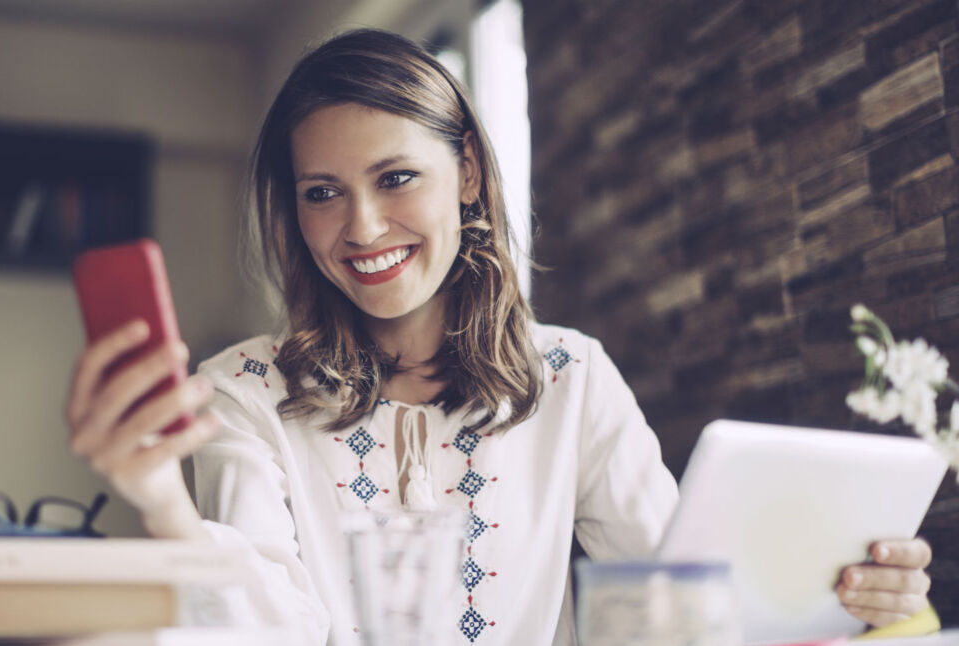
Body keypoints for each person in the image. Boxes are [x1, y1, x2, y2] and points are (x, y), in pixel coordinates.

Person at [65, 29, 935, 645]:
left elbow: (685, 603)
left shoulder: (571, 378)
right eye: (321, 192)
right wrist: (162, 503)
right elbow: (264, 629)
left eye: (397, 177)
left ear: (469, 175)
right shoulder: (244, 392)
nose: (362, 228)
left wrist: (853, 594)